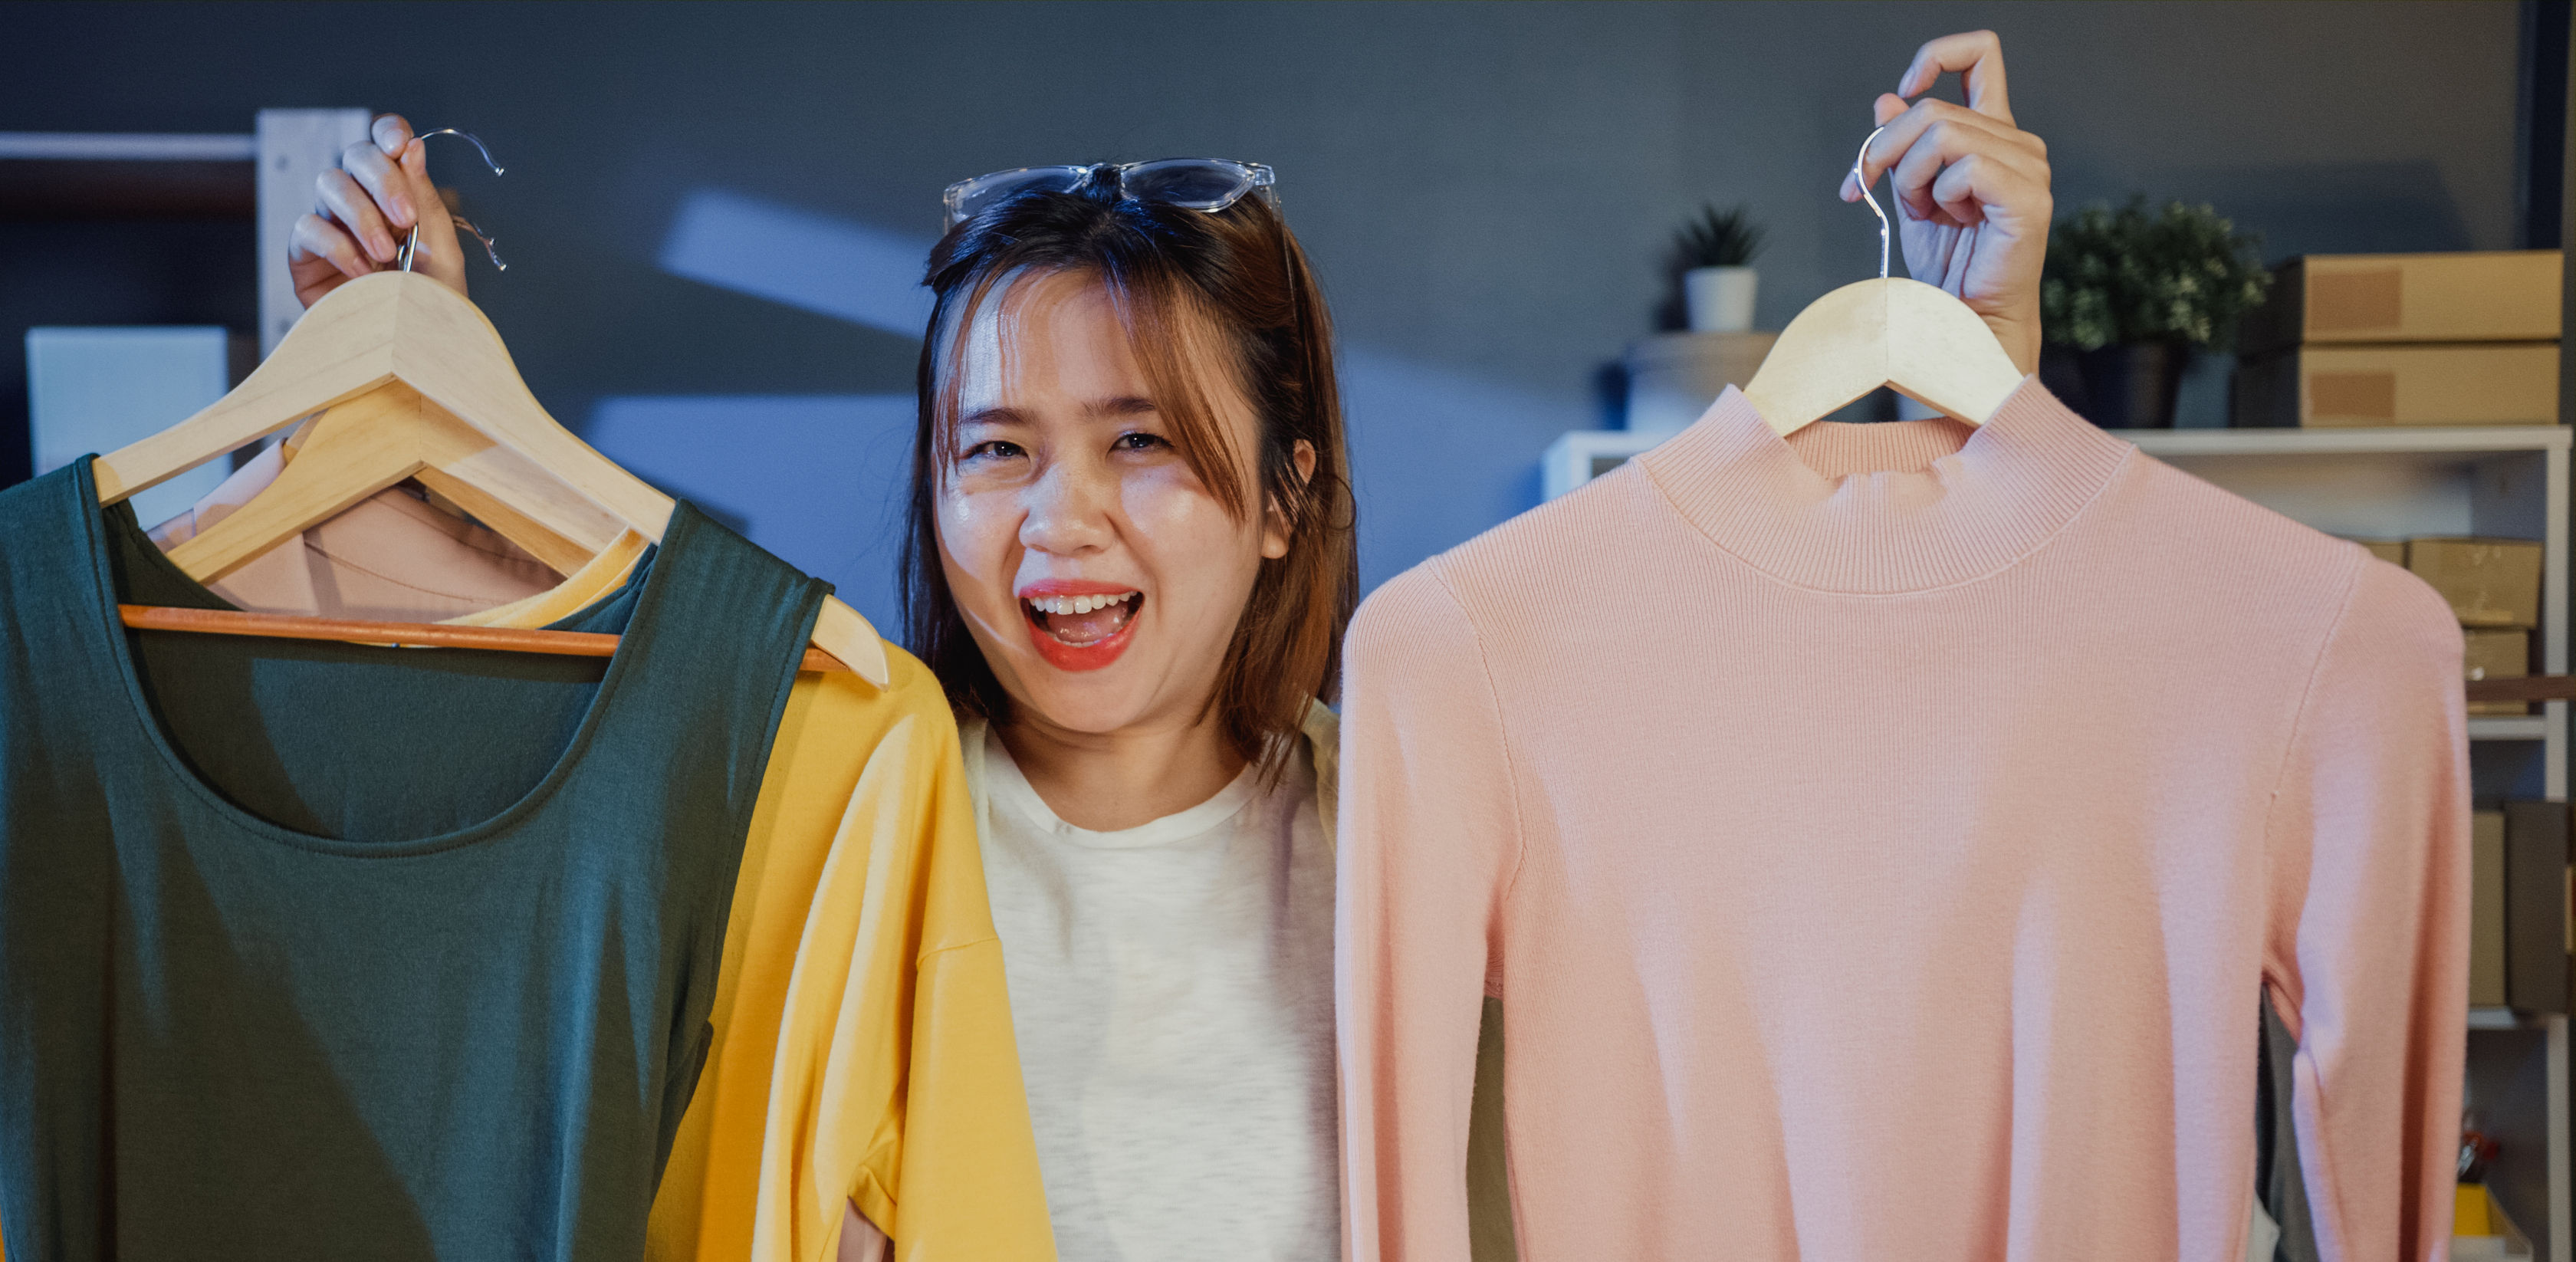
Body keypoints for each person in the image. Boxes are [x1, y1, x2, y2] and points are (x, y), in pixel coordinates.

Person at [288, 29, 2052, 1262]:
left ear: (1287, 495)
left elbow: (1912, 850)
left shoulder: (1443, 843)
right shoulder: (823, 831)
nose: (1059, 519)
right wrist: (419, 390)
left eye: (1142, 441)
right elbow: (455, 812)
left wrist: (1990, 357)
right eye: (996, 448)